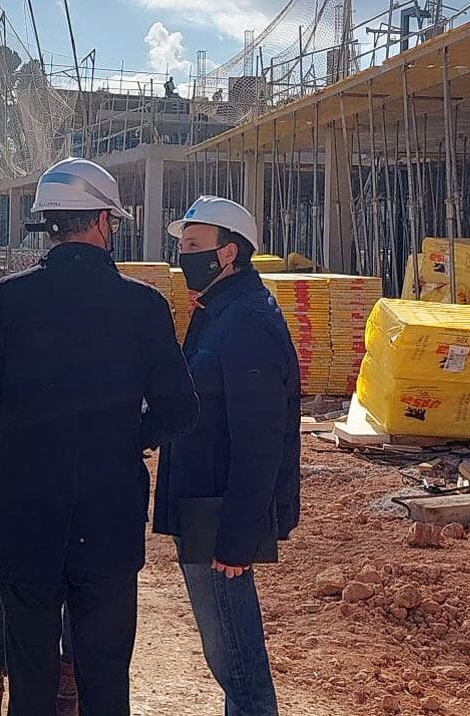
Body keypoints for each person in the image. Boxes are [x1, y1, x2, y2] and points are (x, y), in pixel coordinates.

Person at [0, 157, 199, 716]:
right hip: (109, 515)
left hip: (25, 516)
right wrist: (128, 437)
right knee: (106, 677)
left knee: (33, 679)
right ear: (104, 222)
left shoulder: (7, 302)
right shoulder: (144, 308)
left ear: (49, 223)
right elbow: (180, 411)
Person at [154, 196, 300, 716]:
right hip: (203, 504)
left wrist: (238, 538)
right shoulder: (218, 312)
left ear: (229, 253)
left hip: (221, 516)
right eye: (181, 248)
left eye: (194, 247)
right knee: (228, 656)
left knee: (237, 661)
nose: (183, 258)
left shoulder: (246, 323)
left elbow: (260, 439)